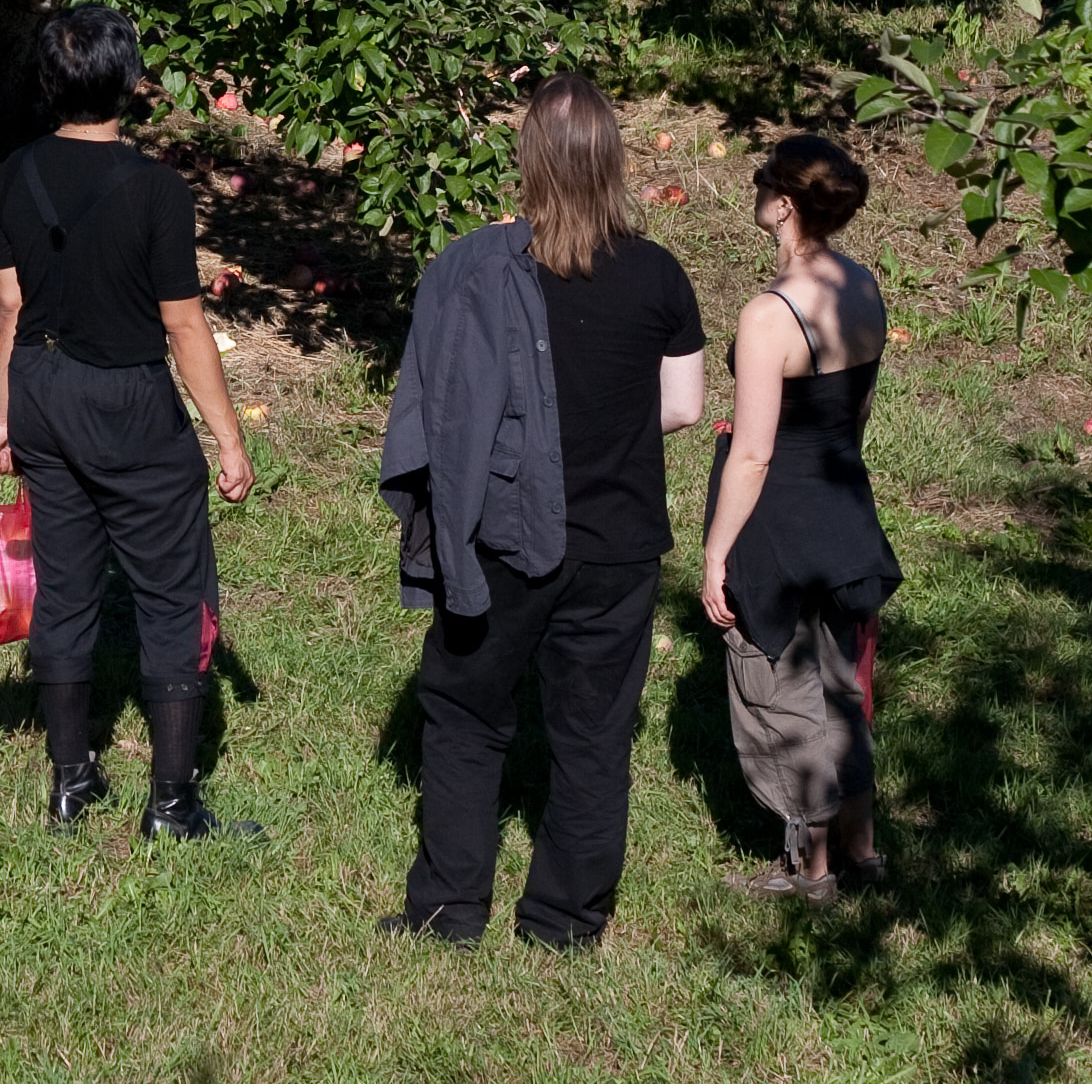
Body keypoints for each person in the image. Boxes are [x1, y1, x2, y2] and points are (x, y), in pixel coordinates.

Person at [380, 75, 703, 947]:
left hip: (504, 538)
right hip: (620, 544)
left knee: (464, 712)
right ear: (614, 163)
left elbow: (438, 401)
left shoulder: (483, 269)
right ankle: (564, 920)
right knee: (593, 734)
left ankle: (449, 909)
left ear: (529, 161)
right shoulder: (659, 275)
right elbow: (684, 408)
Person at [0, 5, 256, 840]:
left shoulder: (14, 175)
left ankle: (71, 782)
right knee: (171, 596)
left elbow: (8, 305)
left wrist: (2, 413)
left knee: (64, 584)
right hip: (126, 402)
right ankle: (172, 804)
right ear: (134, 83)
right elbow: (181, 323)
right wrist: (229, 436)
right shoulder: (154, 190)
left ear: (46, 82)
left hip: (41, 391)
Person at [698, 132, 904, 901]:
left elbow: (752, 455)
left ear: (783, 205)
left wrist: (717, 554)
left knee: (779, 688)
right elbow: (858, 408)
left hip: (776, 521)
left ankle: (809, 868)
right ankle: (862, 850)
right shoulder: (862, 285)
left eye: (761, 182)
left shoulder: (768, 316)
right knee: (843, 686)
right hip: (844, 501)